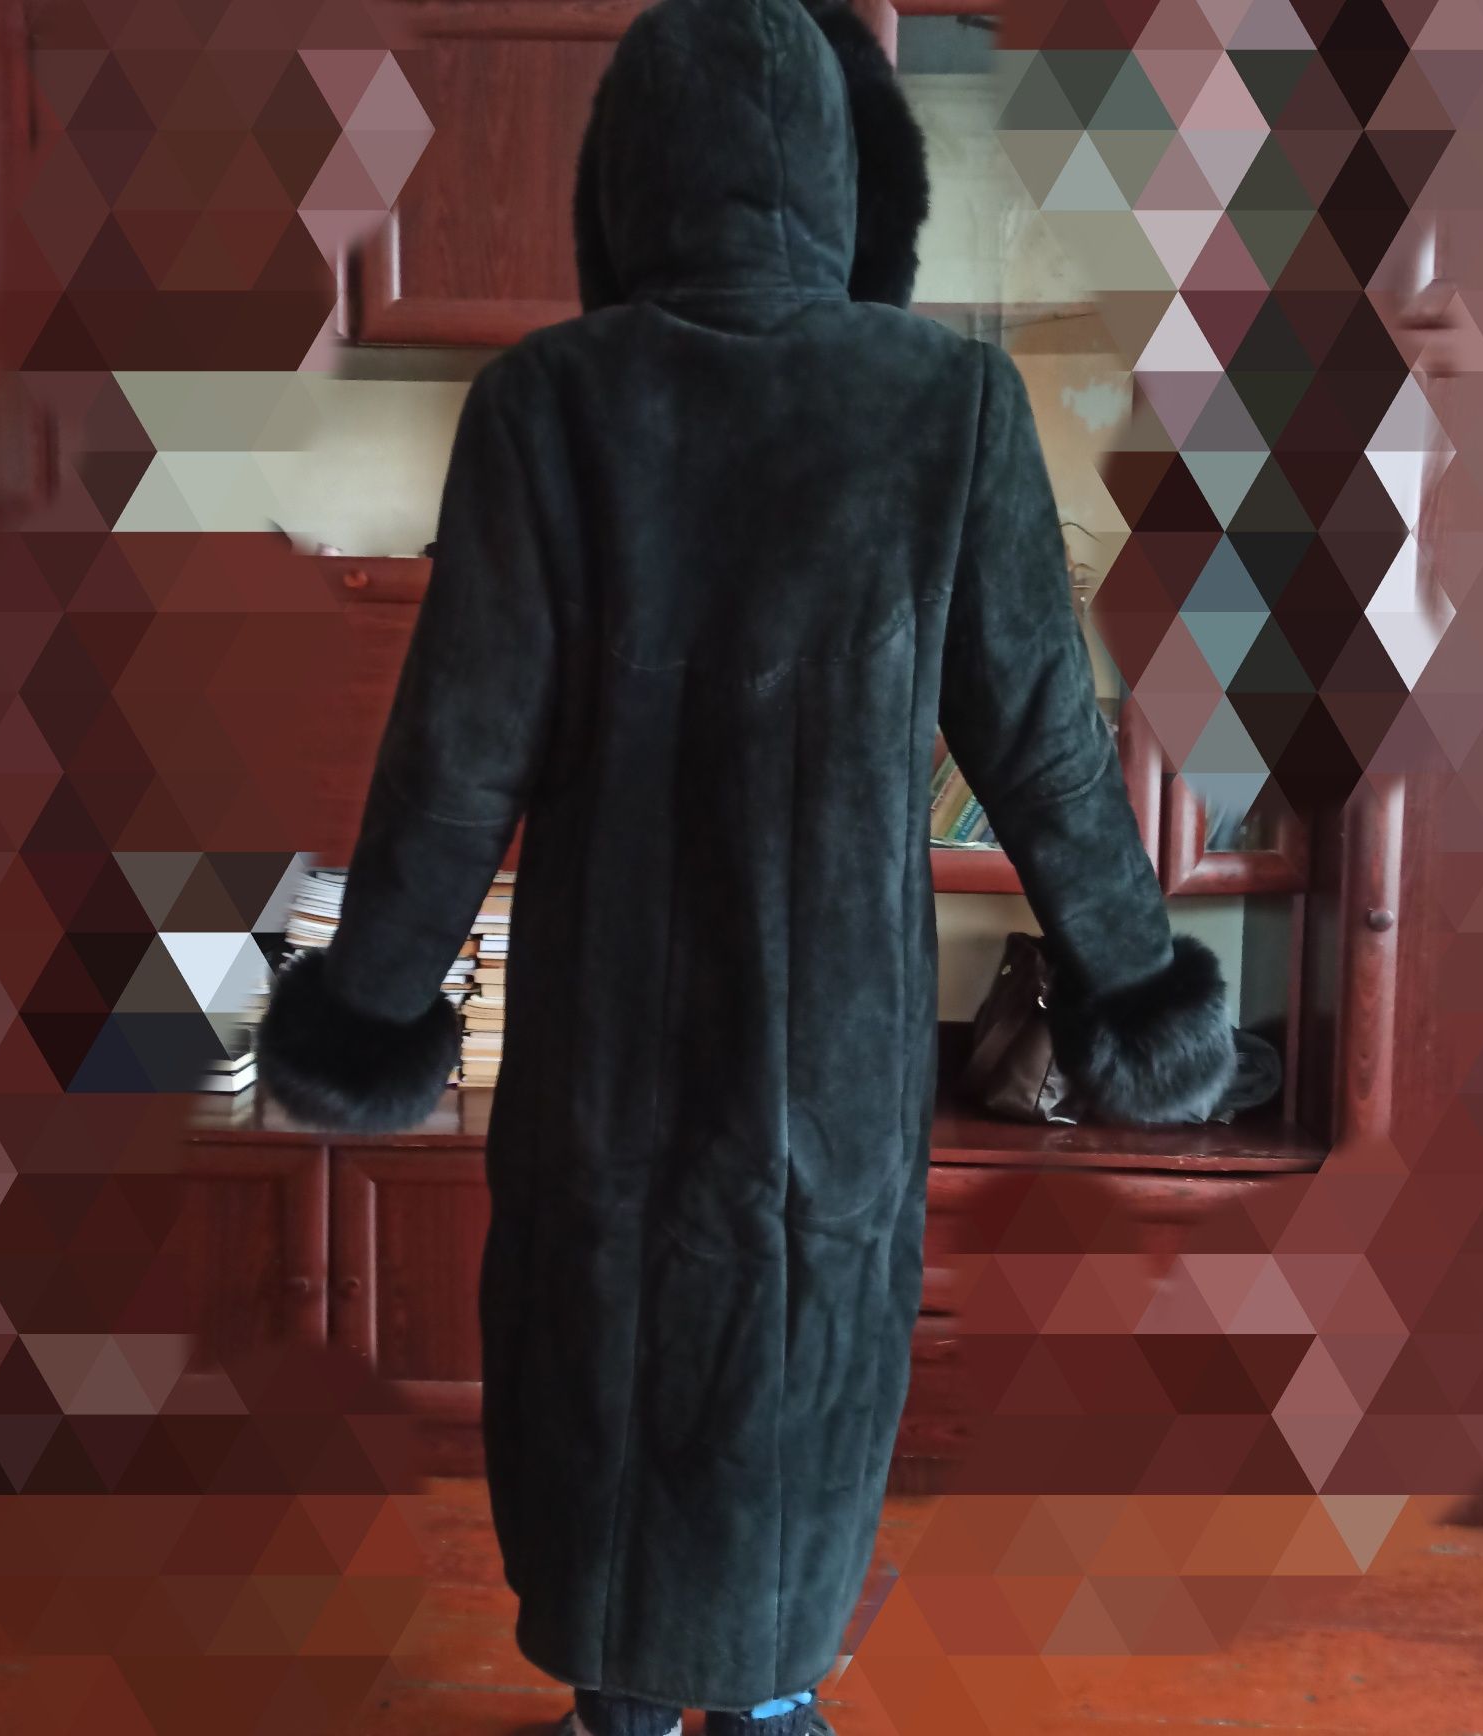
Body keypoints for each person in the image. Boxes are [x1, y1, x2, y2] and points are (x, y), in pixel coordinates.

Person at [256, 0, 1236, 1731]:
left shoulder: (547, 404)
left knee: (599, 1349)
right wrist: (1135, 982)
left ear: (624, 178)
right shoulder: (948, 405)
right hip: (834, 1053)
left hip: (601, 1045)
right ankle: (772, 1705)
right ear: (853, 176)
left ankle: (621, 1707)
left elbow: (453, 768)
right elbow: (1046, 749)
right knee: (802, 1353)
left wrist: (370, 1005)